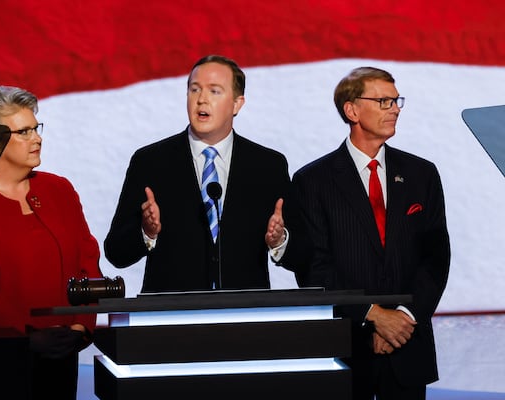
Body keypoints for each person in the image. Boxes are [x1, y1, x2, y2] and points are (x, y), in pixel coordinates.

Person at [281, 67, 450, 399]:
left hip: (407, 345)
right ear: (352, 110)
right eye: (384, 100)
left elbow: (436, 257)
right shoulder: (312, 181)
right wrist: (373, 316)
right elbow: (315, 267)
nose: (396, 108)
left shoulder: (421, 174)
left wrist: (402, 319)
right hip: (346, 348)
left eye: (396, 100)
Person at [0, 86, 103, 400]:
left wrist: (82, 326)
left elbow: (88, 259)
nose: (37, 138)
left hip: (62, 355)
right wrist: (29, 338)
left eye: (36, 128)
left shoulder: (60, 190)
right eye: (25, 131)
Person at [104, 54, 291, 293]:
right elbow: (116, 252)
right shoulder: (150, 162)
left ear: (237, 103)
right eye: (194, 90)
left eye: (214, 91)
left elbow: (303, 253)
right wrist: (147, 232)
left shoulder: (267, 165)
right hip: (170, 319)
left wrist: (279, 241)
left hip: (244, 319)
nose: (201, 100)